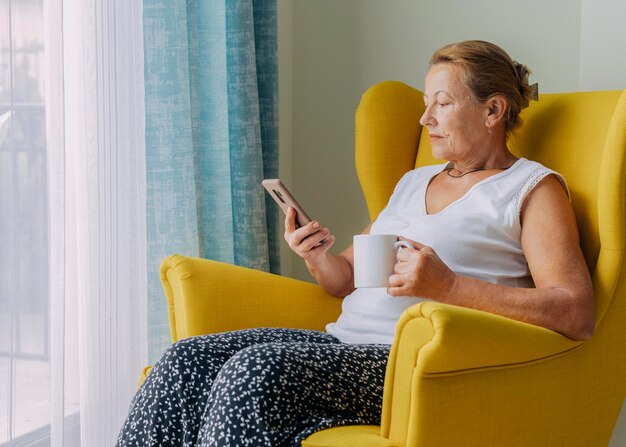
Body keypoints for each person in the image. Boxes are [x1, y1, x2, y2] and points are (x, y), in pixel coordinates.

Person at [116, 40, 594, 447]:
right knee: (186, 359)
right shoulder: (414, 181)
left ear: (493, 110)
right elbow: (345, 280)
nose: (425, 118)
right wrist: (317, 256)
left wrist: (448, 287)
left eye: (442, 103)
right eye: (426, 103)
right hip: (340, 344)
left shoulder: (532, 189)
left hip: (409, 364)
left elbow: (574, 312)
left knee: (255, 371)